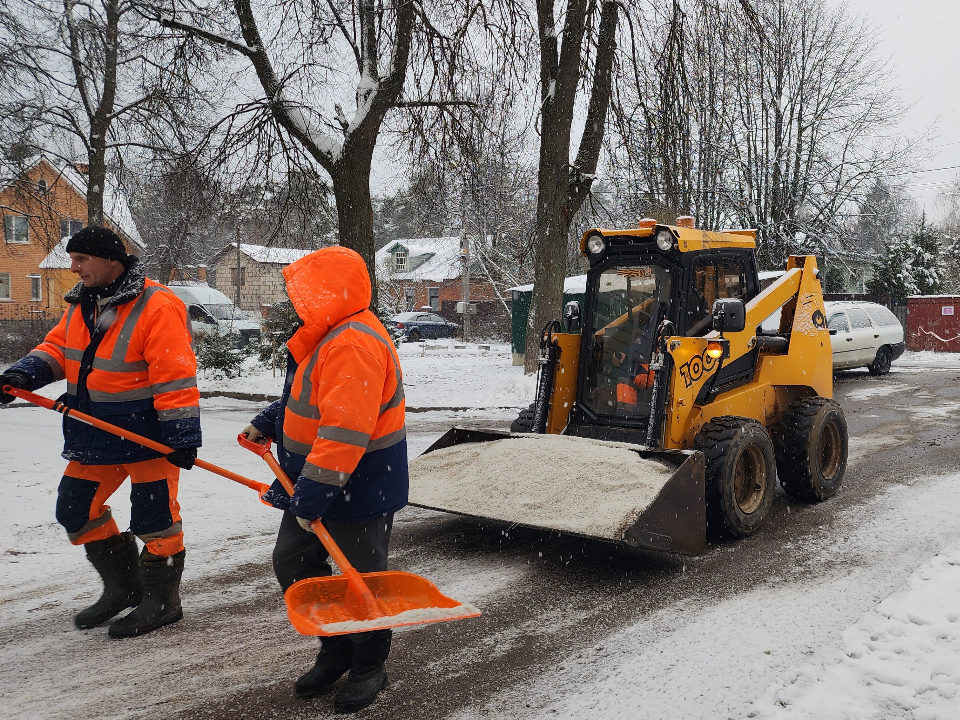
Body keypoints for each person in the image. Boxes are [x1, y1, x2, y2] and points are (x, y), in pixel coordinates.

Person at [0, 226, 201, 638]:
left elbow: (174, 375)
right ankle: (125, 589)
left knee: (156, 520)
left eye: (81, 260)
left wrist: (181, 435)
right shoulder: (82, 304)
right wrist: (24, 373)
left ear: (112, 260)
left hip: (147, 437)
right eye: (73, 260)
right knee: (74, 509)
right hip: (93, 432)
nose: (73, 268)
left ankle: (163, 601)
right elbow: (59, 350)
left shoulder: (157, 305)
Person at [241, 246, 408, 713]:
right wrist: (270, 421)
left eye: (305, 291)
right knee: (293, 563)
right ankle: (335, 647)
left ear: (330, 292)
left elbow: (343, 432)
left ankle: (369, 663)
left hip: (356, 485)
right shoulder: (326, 333)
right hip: (314, 482)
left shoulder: (352, 342)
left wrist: (313, 494)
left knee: (360, 579)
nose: (297, 300)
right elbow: (308, 398)